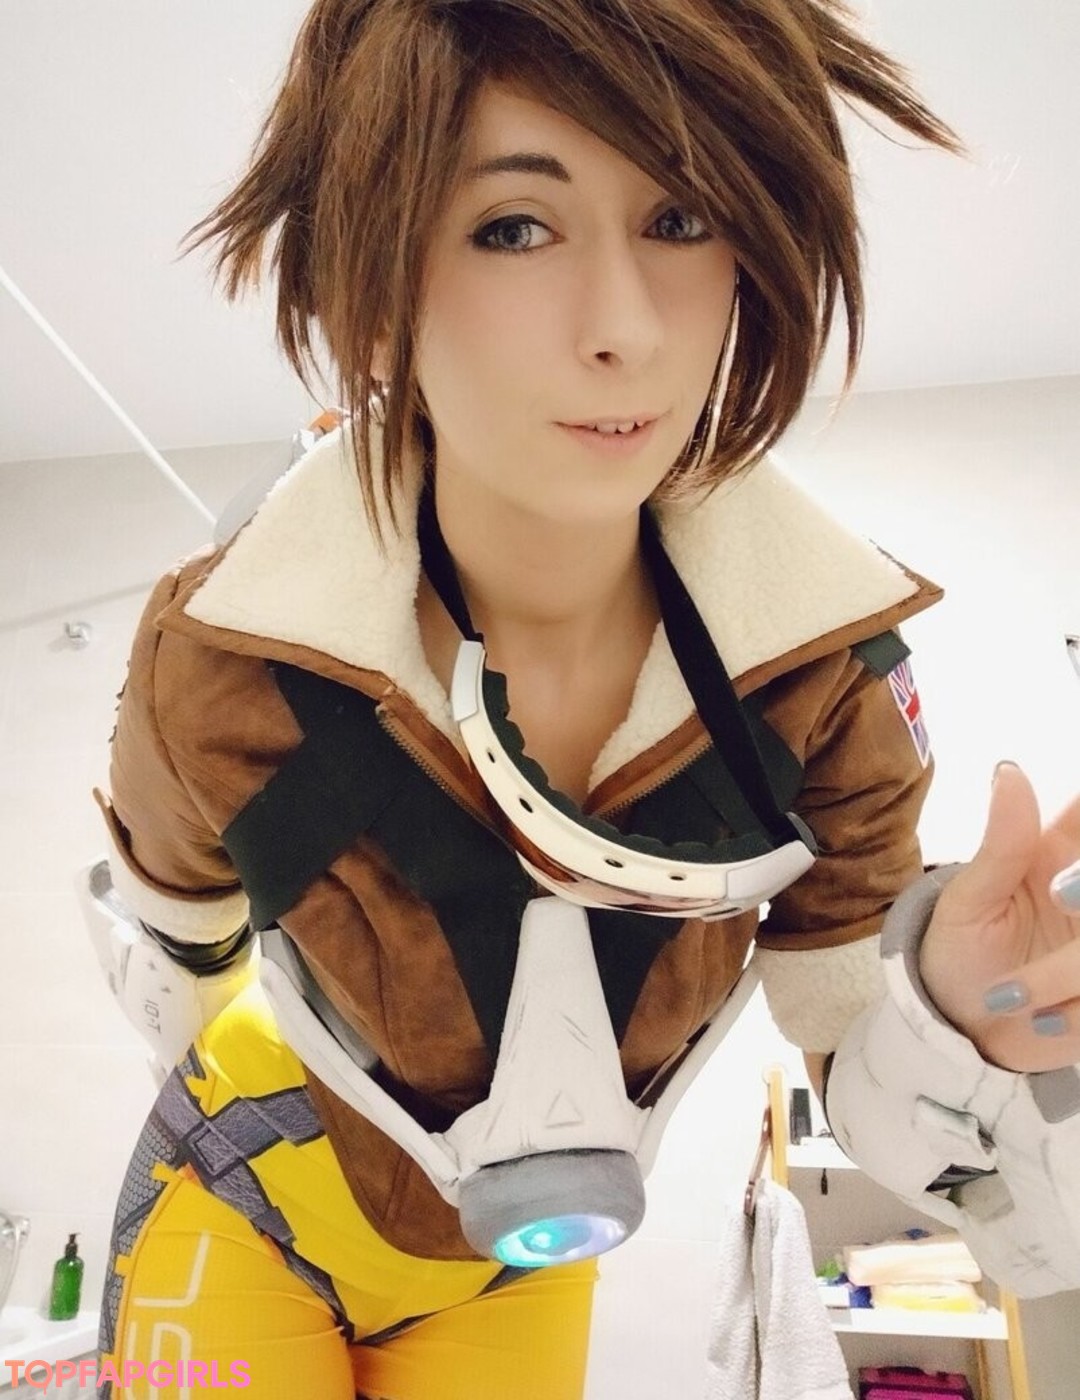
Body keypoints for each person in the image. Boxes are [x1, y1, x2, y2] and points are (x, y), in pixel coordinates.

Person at [86, 2, 1080, 1397]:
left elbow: (850, 1049)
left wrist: (964, 1029)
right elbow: (170, 961)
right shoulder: (220, 664)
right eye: (514, 226)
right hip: (252, 1191)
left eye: (681, 220)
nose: (626, 328)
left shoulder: (825, 689)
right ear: (377, 289)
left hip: (527, 1254)